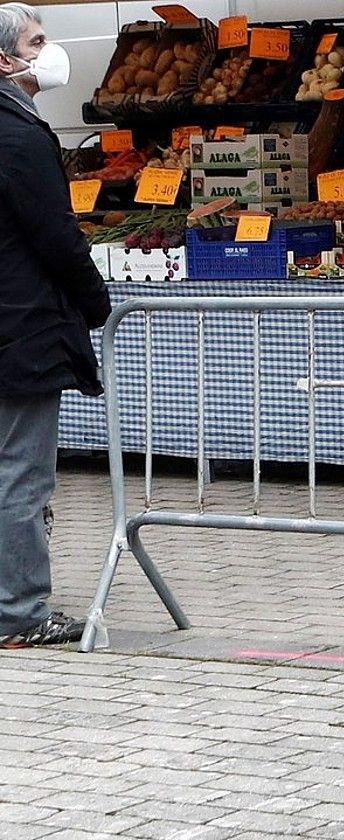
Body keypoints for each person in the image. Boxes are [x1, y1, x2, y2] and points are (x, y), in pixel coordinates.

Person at [0, 3, 110, 649]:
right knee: (21, 473)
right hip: (19, 325)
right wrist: (94, 302)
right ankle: (19, 612)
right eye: (39, 41)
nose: (52, 50)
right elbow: (55, 236)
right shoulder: (16, 132)